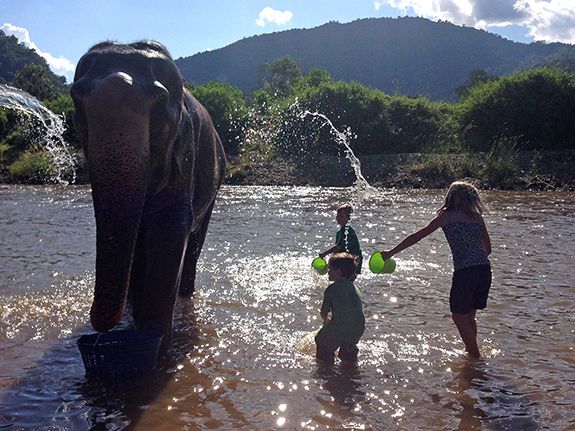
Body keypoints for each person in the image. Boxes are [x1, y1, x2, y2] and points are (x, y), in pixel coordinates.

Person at [379, 181, 492, 359]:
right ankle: (471, 352)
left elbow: (417, 236)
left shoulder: (446, 217)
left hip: (465, 271)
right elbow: (488, 249)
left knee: (458, 317)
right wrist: (475, 258)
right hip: (484, 269)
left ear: (450, 198)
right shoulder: (477, 218)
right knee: (470, 316)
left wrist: (391, 253)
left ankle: (475, 358)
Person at [315, 252, 366, 362]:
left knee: (320, 340)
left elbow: (324, 311)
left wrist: (326, 321)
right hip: (358, 328)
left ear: (338, 272)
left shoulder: (332, 289)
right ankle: (349, 358)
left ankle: (325, 366)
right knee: (347, 345)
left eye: (330, 269)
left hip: (340, 327)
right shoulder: (355, 288)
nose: (327, 271)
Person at [319, 204, 363, 276]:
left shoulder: (346, 230)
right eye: (337, 215)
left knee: (346, 278)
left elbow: (338, 247)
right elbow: (338, 250)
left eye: (341, 216)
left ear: (348, 218)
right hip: (347, 258)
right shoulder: (340, 231)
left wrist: (324, 254)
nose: (338, 218)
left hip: (354, 259)